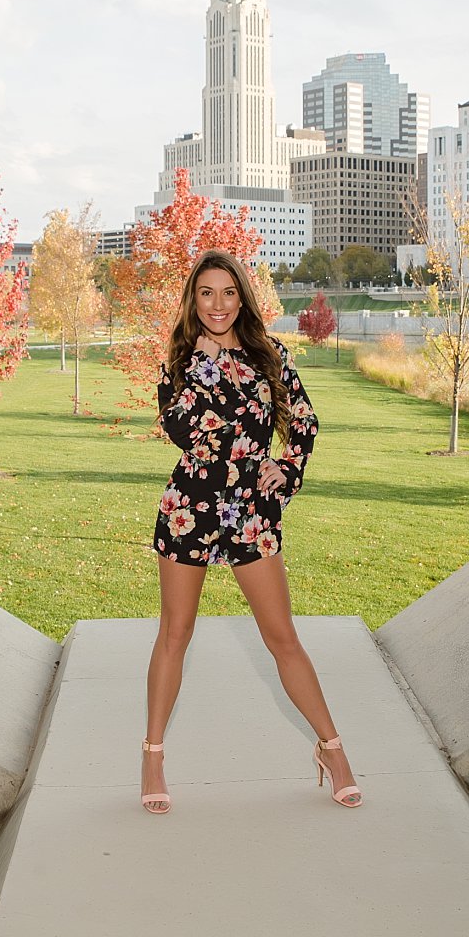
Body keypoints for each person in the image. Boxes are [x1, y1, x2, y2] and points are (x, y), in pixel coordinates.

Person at [138, 248, 362, 815]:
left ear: (243, 297)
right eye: (206, 292)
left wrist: (284, 470)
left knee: (281, 636)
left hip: (251, 511)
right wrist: (205, 359)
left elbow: (305, 422)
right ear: (194, 298)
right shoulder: (181, 361)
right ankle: (153, 755)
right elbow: (179, 428)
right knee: (175, 633)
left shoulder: (271, 356)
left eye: (229, 292)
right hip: (190, 507)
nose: (217, 304)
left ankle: (333, 752)